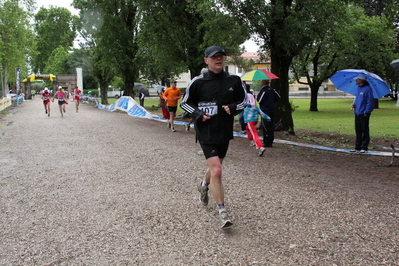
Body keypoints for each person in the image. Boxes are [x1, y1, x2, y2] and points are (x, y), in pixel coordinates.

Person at [180, 45, 247, 228]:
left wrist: (233, 108)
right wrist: (199, 114)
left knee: (215, 167)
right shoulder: (198, 82)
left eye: (221, 57)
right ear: (206, 60)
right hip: (206, 131)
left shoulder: (233, 80)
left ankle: (203, 185)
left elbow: (244, 100)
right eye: (214, 57)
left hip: (224, 130)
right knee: (217, 170)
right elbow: (185, 103)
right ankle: (222, 212)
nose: (218, 59)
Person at [350, 74, 374, 153]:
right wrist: (354, 105)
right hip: (357, 112)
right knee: (358, 130)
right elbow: (358, 100)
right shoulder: (358, 89)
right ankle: (357, 147)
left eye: (358, 79)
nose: (356, 80)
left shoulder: (368, 89)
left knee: (364, 130)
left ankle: (364, 147)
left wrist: (366, 111)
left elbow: (369, 101)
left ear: (362, 80)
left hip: (364, 113)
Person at [257, 79, 280, 147]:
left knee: (265, 126)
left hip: (265, 111)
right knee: (271, 125)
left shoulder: (263, 91)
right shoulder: (272, 90)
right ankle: (271, 140)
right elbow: (278, 97)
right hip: (271, 110)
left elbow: (259, 100)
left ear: (262, 83)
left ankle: (266, 142)